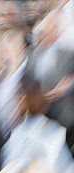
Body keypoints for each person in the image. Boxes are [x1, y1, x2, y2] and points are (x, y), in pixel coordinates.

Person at [26, 13, 74, 148]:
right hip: (42, 120)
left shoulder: (68, 52)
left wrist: (68, 85)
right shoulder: (32, 57)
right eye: (45, 29)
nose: (47, 32)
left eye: (51, 28)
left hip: (66, 116)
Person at [0, 30, 29, 137]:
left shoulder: (30, 74)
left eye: (11, 46)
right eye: (5, 47)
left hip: (22, 136)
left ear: (22, 48)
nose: (6, 51)